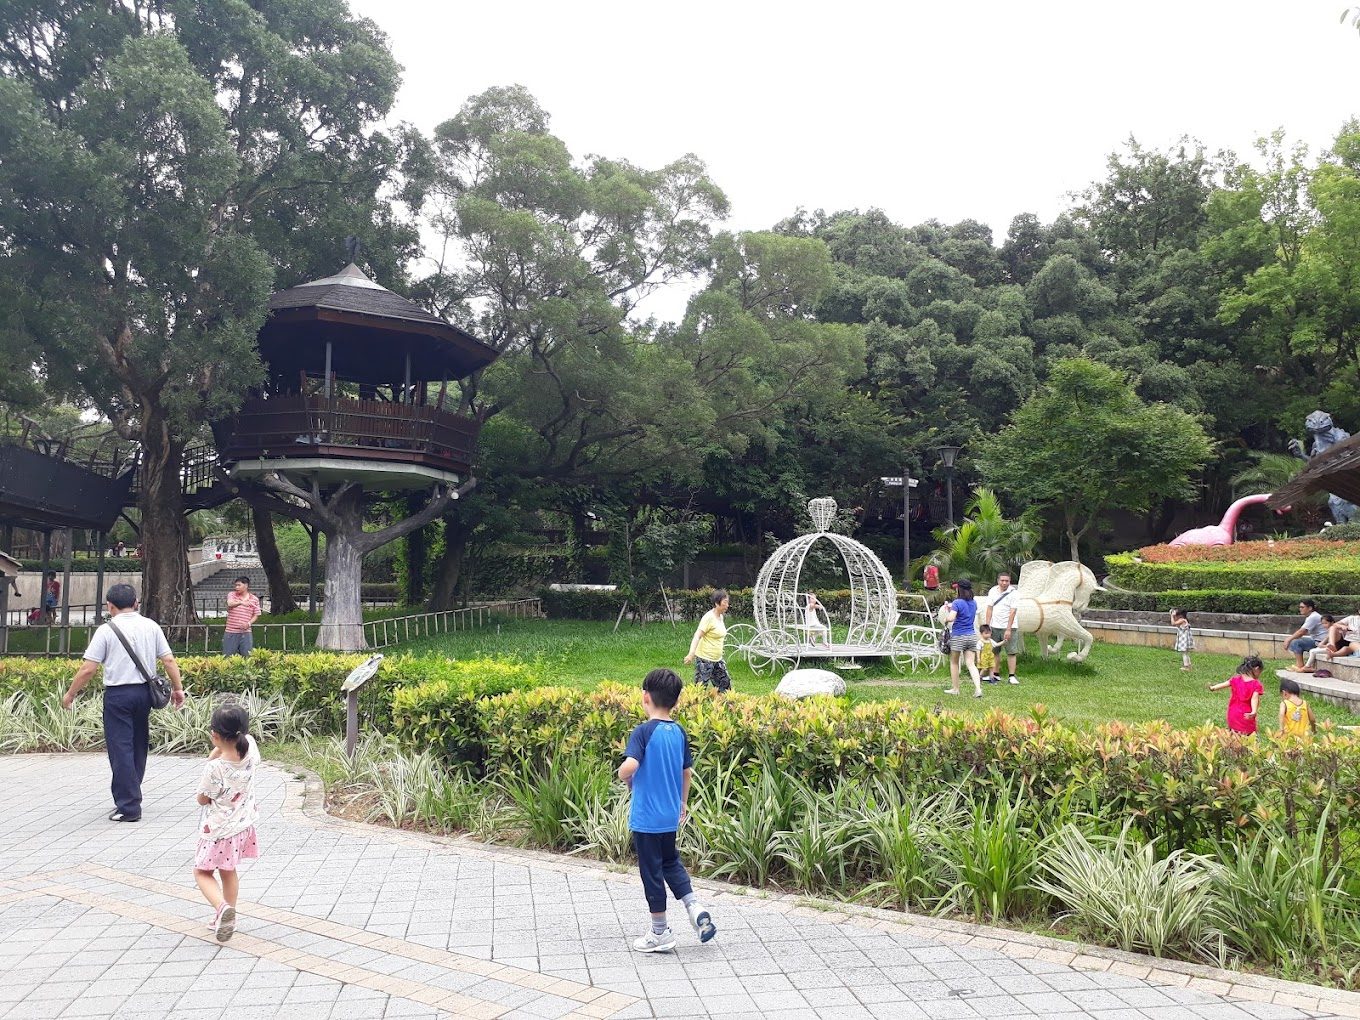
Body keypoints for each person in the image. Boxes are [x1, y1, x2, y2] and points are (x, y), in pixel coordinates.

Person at [62, 584, 186, 821]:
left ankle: (129, 806)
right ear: (136, 602)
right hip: (144, 694)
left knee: (120, 748)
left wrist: (70, 694)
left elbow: (89, 668)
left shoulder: (107, 630)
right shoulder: (151, 626)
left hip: (118, 696)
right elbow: (168, 660)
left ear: (110, 605)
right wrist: (177, 689)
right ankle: (131, 791)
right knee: (138, 744)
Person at [618, 668, 716, 952]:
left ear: (645, 697)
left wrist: (623, 775)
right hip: (669, 816)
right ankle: (694, 908)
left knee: (652, 871)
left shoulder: (643, 732)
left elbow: (631, 766)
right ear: (676, 701)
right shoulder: (679, 732)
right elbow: (687, 774)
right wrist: (682, 804)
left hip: (646, 819)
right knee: (671, 861)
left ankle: (660, 932)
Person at [194, 704, 261, 943]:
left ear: (215, 735)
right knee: (228, 870)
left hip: (219, 830)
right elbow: (226, 750)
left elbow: (202, 799)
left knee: (202, 872)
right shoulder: (250, 747)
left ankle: (222, 908)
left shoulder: (215, 768)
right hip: (243, 825)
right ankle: (226, 917)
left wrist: (214, 756)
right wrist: (219, 749)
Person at [684, 589, 731, 693]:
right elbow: (697, 636)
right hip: (705, 660)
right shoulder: (708, 618)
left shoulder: (720, 617)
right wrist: (691, 654)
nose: (727, 605)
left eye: (727, 602)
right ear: (716, 603)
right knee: (700, 689)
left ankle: (722, 707)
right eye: (725, 602)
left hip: (717, 659)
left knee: (725, 686)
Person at [943, 579, 983, 698]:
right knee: (971, 663)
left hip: (958, 635)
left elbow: (951, 618)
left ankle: (955, 689)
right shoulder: (974, 603)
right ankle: (978, 689)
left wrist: (946, 617)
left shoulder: (957, 602)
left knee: (954, 662)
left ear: (959, 589)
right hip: (971, 635)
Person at [1208, 656, 1265, 735]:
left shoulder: (1235, 679)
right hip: (1246, 715)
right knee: (1248, 737)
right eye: (1260, 672)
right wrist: (1254, 711)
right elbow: (1254, 698)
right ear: (1256, 669)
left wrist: (1213, 687)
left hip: (1233, 713)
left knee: (1233, 734)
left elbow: (1224, 684)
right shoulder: (1256, 684)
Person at [984, 572, 1021, 685]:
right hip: (995, 626)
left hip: (1009, 626)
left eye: (1007, 581)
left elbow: (1013, 611)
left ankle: (1011, 676)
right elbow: (989, 608)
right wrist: (987, 625)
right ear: (998, 581)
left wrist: (1008, 629)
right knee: (995, 651)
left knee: (1011, 652)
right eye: (1002, 580)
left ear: (1009, 582)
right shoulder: (993, 591)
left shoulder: (1014, 593)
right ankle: (995, 674)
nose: (1004, 583)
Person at [223, 576, 262, 657]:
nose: (236, 587)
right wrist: (240, 603)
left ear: (246, 585)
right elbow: (230, 603)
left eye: (239, 585)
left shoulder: (254, 599)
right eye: (235, 585)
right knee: (228, 657)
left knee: (247, 657)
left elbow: (256, 614)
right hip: (231, 631)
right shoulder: (232, 595)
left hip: (246, 632)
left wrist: (248, 623)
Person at [1286, 599, 1329, 672]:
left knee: (1296, 642)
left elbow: (1302, 632)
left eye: (1302, 607)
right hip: (1317, 641)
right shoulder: (1311, 616)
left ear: (1310, 608)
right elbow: (1302, 632)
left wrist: (1288, 639)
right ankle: (1300, 665)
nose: (1300, 609)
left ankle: (1300, 666)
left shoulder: (1313, 617)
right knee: (1297, 641)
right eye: (1299, 607)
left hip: (1321, 643)